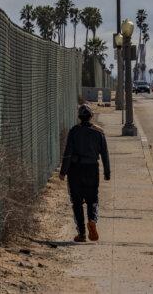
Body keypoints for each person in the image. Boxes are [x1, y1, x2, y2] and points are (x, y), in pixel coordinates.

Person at [59, 104, 111, 242]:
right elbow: (104, 153)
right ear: (91, 116)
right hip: (92, 168)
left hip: (75, 170)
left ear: (79, 117)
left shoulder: (74, 131)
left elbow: (68, 153)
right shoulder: (99, 132)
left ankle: (81, 233)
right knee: (92, 199)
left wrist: (63, 172)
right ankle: (92, 220)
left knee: (76, 202)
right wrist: (107, 172)